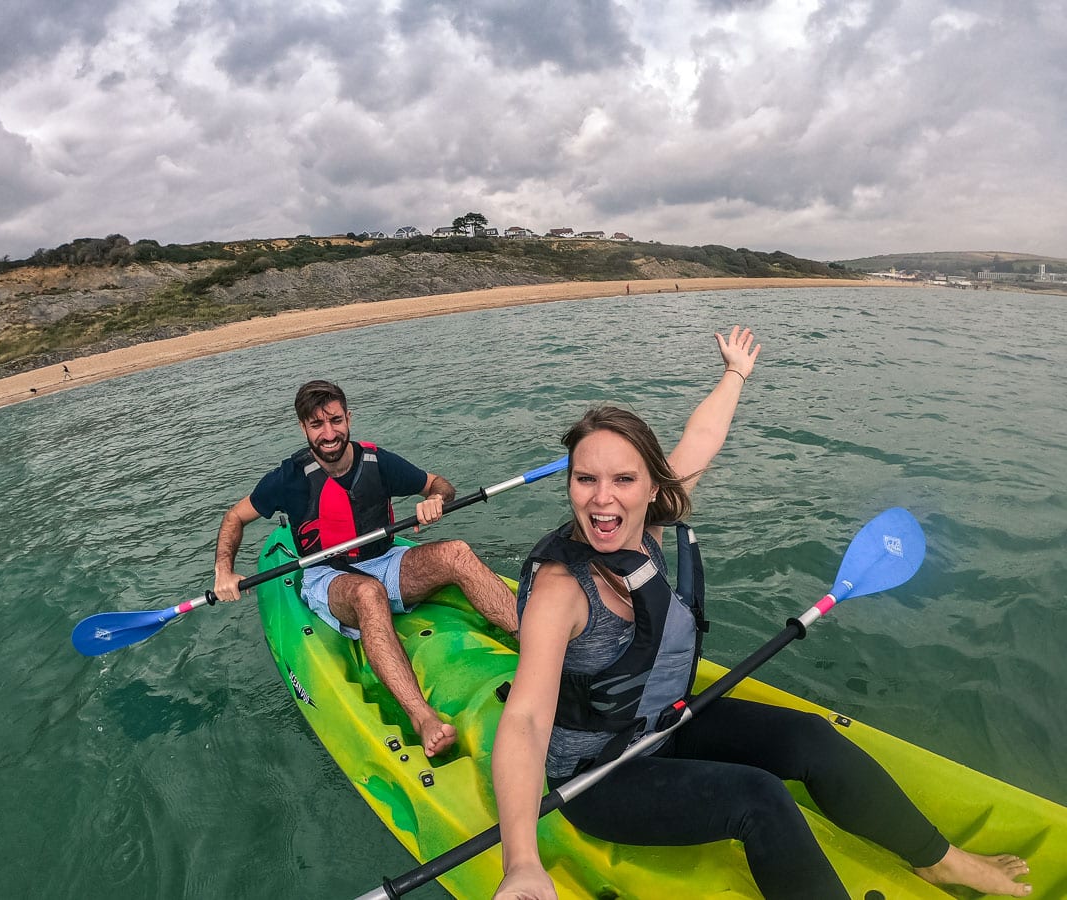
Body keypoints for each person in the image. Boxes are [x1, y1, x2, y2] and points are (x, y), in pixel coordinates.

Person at [491, 326, 1032, 899]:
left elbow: (700, 440)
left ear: (652, 487)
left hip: (663, 727)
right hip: (598, 778)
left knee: (810, 738)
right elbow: (524, 722)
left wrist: (735, 375)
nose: (603, 498)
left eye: (624, 479)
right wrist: (521, 861)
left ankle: (936, 860)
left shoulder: (645, 524)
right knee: (759, 798)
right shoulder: (560, 590)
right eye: (586, 479)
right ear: (570, 482)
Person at [213, 379, 518, 758]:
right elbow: (235, 518)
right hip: (328, 575)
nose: (329, 433)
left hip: (386, 560)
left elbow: (440, 484)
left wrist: (436, 499)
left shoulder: (377, 461)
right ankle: (423, 718)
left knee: (456, 551)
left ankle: (536, 646)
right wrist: (224, 572)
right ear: (303, 428)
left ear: (349, 418)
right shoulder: (288, 478)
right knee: (367, 593)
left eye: (336, 421)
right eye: (316, 425)